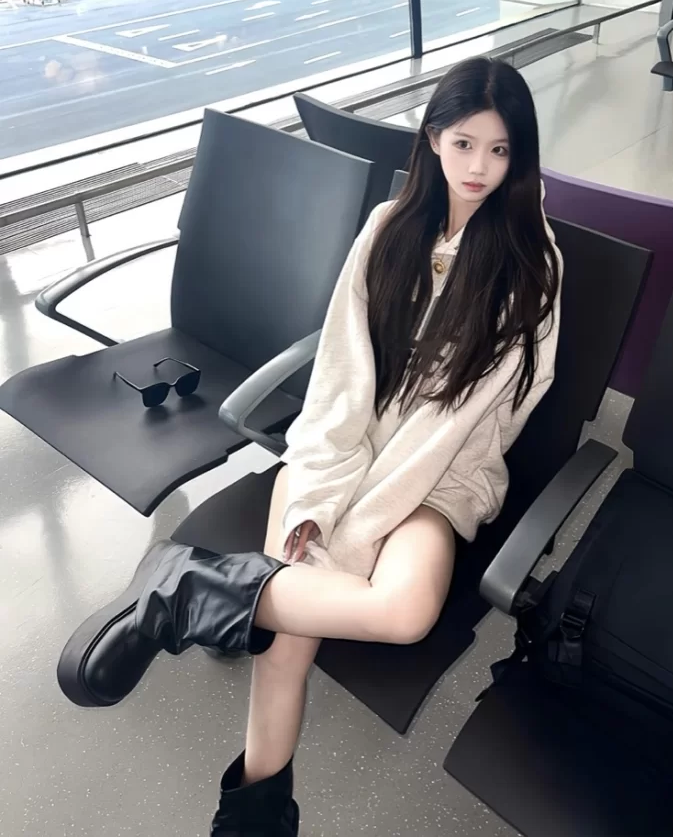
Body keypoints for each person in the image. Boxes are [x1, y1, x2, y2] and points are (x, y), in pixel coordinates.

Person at [56, 56, 562, 836]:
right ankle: (253, 821)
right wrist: (324, 493)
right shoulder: (387, 229)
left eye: (500, 150)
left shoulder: (531, 266)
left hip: (440, 474)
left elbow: (464, 419)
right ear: (433, 138)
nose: (479, 167)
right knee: (285, 645)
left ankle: (186, 588)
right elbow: (339, 379)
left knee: (404, 611)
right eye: (464, 144)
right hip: (344, 447)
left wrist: (362, 519)